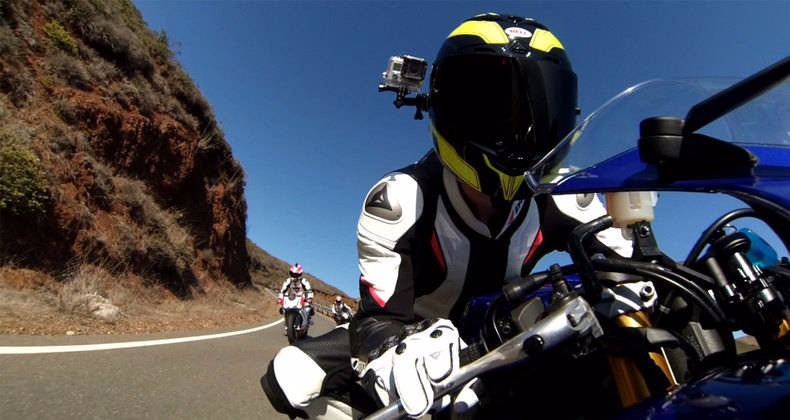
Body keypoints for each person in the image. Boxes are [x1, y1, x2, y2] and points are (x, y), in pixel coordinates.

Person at [262, 13, 631, 419]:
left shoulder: (566, 196)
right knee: (289, 376)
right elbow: (378, 318)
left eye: (538, 116)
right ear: (443, 107)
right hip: (415, 335)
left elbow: (628, 266)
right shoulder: (400, 200)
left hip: (503, 331)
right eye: (488, 111)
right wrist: (393, 347)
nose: (518, 133)